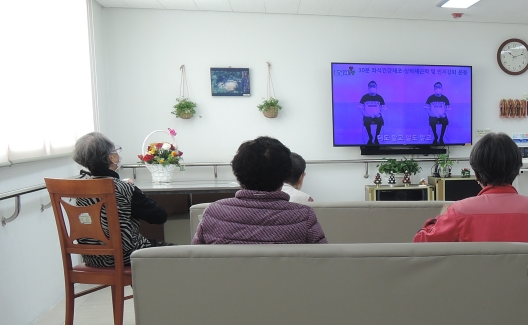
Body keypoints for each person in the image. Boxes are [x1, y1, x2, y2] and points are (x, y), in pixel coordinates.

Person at [414, 132, 528, 263]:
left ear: (477, 174)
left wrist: (438, 219)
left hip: (472, 290)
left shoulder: (458, 211)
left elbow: (420, 245)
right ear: (517, 170)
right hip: (525, 290)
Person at [193, 137, 327, 244]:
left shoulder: (213, 213)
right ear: (286, 175)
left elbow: (194, 261)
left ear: (237, 172)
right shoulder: (304, 216)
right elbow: (325, 260)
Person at [71, 132, 168, 267]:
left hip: (92, 259)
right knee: (182, 256)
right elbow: (159, 216)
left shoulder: (79, 188)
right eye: (115, 150)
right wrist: (133, 190)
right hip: (126, 257)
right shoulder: (123, 188)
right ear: (111, 157)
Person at [359, 81, 385, 145]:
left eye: (374, 86)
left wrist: (379, 114)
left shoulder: (380, 97)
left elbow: (383, 108)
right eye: (370, 86)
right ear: (368, 87)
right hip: (367, 115)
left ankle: (376, 138)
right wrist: (365, 114)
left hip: (377, 115)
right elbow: (360, 107)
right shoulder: (364, 97)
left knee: (380, 122)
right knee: (367, 122)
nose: (372, 87)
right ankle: (370, 137)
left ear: (376, 87)